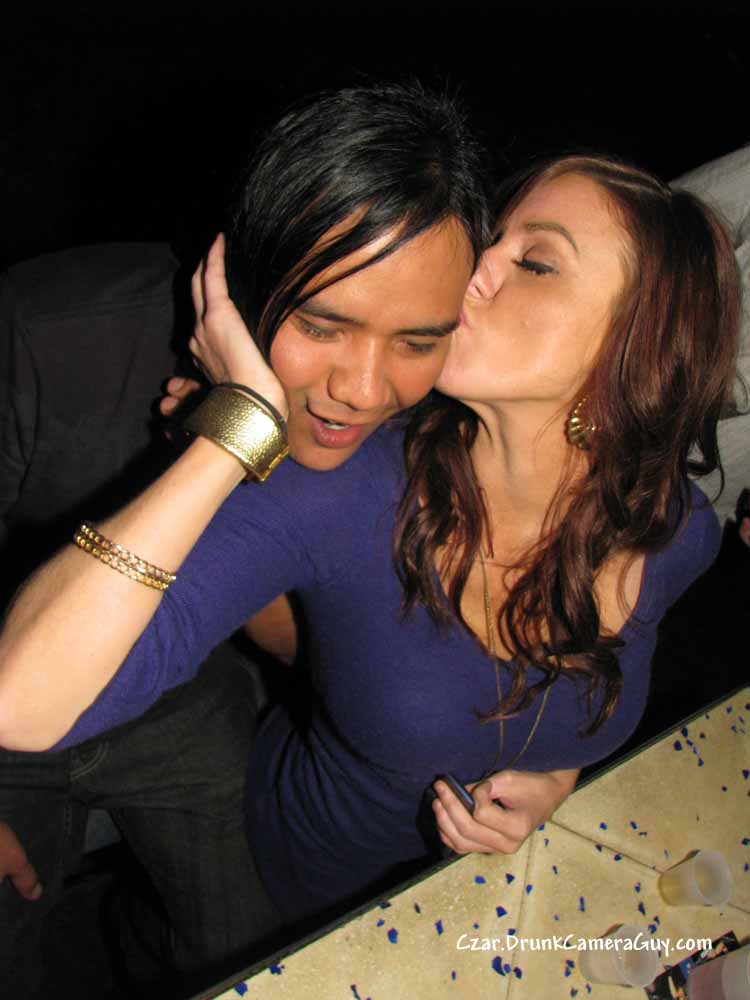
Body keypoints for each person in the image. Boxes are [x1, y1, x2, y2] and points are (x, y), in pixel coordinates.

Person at [0, 151, 738, 936]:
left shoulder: (674, 529)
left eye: (535, 263)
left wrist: (556, 775)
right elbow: (22, 704)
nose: (474, 269)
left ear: (638, 347)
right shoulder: (346, 485)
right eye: (491, 238)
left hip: (477, 908)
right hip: (285, 892)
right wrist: (236, 430)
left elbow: (579, 702)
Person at [0, 81, 489, 995]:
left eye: (417, 341)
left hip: (184, 702)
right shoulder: (48, 331)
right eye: (321, 325)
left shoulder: (414, 428)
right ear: (239, 273)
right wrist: (235, 431)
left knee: (263, 959)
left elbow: (313, 655)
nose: (365, 389)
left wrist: (240, 458)